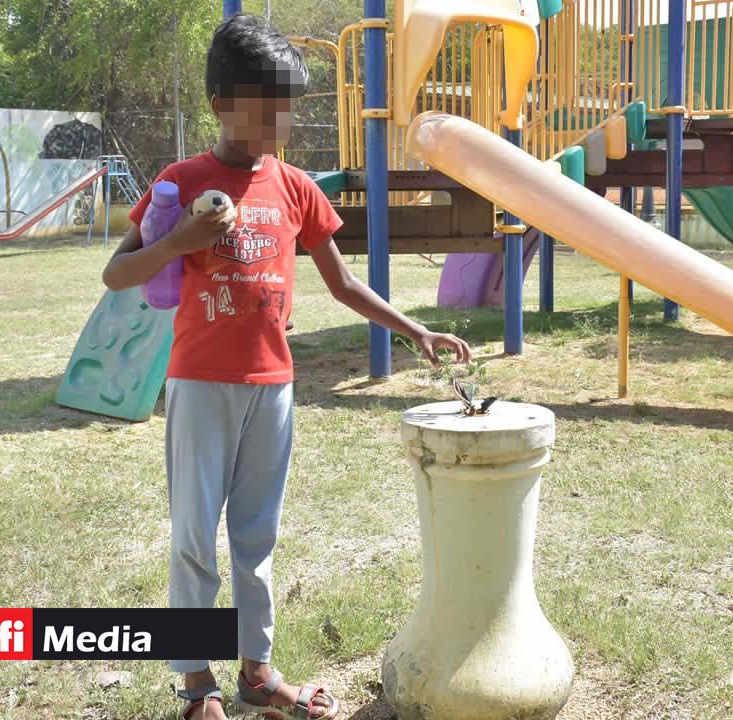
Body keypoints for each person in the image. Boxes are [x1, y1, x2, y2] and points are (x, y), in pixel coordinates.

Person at [102, 14, 471, 720]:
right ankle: (195, 684)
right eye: (266, 111)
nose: (280, 125)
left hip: (273, 388)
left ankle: (256, 672)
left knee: (255, 537)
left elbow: (343, 285)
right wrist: (181, 238)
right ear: (221, 106)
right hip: (201, 385)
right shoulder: (183, 181)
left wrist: (416, 329)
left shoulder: (296, 186)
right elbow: (118, 275)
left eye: (286, 111)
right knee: (193, 538)